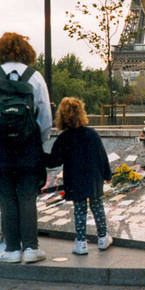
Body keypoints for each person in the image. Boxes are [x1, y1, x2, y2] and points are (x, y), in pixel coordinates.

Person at [0, 33, 52, 263]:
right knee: (28, 197)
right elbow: (46, 117)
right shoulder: (35, 77)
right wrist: (37, 141)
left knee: (7, 198)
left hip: (1, 148)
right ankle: (31, 248)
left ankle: (11, 249)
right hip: (28, 148)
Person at [44, 97, 113, 255]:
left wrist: (38, 156)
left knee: (79, 210)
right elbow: (102, 157)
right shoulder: (92, 134)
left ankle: (81, 243)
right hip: (93, 178)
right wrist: (107, 174)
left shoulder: (63, 139)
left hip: (75, 179)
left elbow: (54, 161)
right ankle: (103, 238)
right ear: (81, 113)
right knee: (97, 207)